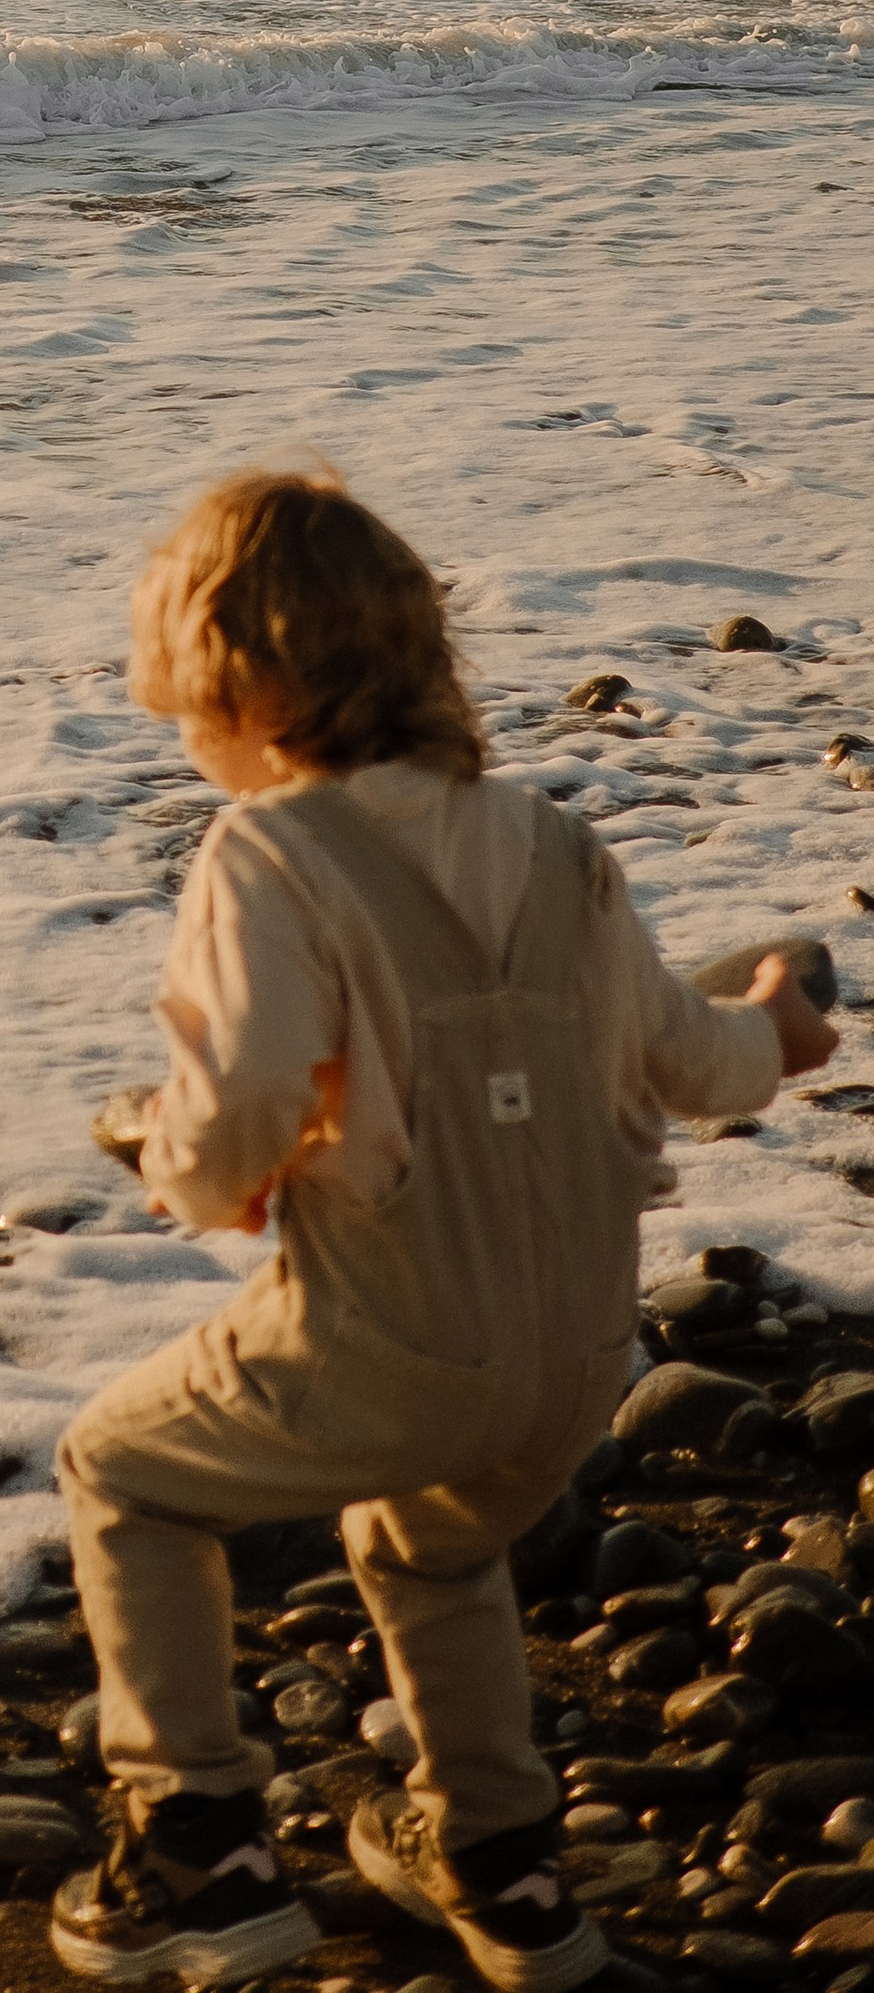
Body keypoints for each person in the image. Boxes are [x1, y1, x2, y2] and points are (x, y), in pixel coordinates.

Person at [47, 470, 838, 1992]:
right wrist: (779, 1030)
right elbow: (691, 1061)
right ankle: (503, 1866)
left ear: (237, 680)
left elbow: (240, 1120)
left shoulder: (268, 857)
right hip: (574, 1354)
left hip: (392, 1335)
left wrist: (174, 1157)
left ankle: (197, 1847)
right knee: (426, 1538)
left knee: (124, 1475)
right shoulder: (552, 844)